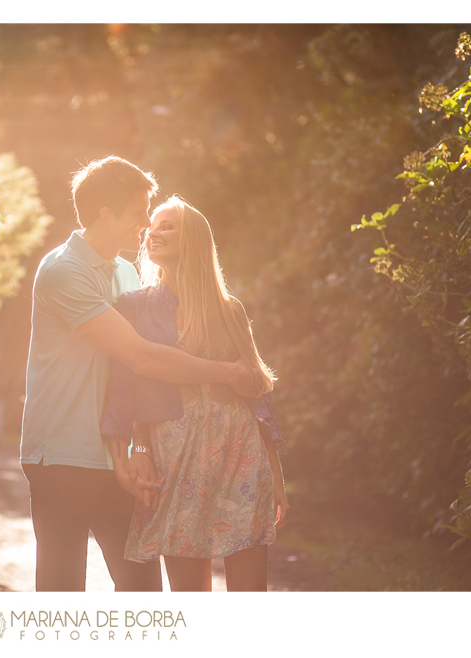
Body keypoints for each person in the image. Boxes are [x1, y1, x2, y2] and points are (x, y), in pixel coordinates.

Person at [20, 157, 259, 592]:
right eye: (138, 212)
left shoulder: (127, 272)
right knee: (61, 591)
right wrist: (228, 372)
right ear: (105, 215)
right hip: (62, 456)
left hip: (118, 462)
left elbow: (138, 383)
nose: (146, 223)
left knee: (142, 592)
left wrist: (137, 446)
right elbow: (142, 359)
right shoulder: (62, 271)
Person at [100, 194, 289, 592]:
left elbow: (259, 394)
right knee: (190, 597)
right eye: (152, 226)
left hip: (241, 452)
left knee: (250, 596)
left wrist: (278, 479)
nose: (154, 232)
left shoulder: (229, 309)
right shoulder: (134, 307)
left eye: (167, 225)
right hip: (177, 457)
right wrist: (138, 451)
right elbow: (122, 394)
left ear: (196, 240)